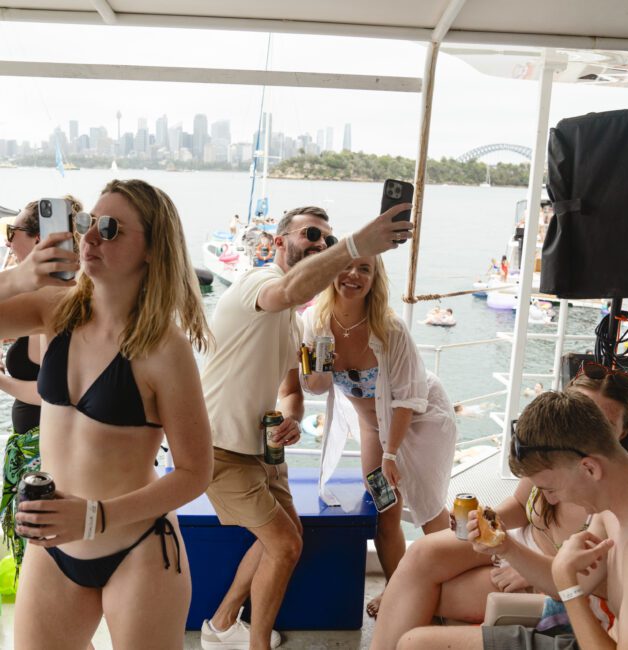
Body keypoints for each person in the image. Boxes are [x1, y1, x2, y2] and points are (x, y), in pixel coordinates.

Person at [0, 179, 213, 649]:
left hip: (136, 547)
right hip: (54, 546)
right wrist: (20, 277)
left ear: (154, 250)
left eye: (111, 228)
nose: (90, 237)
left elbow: (197, 472)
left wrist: (96, 517)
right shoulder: (56, 311)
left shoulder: (164, 349)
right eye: (86, 223)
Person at [200, 202, 413, 649]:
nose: (319, 244)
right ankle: (254, 644)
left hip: (262, 449)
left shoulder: (296, 325)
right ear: (279, 242)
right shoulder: (259, 283)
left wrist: (293, 419)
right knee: (285, 545)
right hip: (221, 447)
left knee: (288, 536)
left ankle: (221, 624)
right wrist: (359, 244)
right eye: (310, 236)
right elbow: (292, 290)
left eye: (326, 240)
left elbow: (293, 390)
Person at [371, 365, 628, 649]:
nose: (551, 499)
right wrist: (501, 542)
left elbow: (584, 586)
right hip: (546, 571)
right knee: (422, 561)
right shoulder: (601, 500)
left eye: (551, 489)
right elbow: (588, 579)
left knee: (420, 618)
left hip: (565, 603)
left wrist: (566, 586)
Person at [301, 254, 456, 618]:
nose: (353, 275)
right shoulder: (313, 321)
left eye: (365, 269)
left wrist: (391, 454)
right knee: (385, 504)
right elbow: (316, 388)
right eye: (346, 266)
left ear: (374, 279)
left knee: (429, 504)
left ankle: (444, 588)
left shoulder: (390, 328)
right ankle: (397, 589)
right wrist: (320, 362)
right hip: (374, 426)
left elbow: (407, 398)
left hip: (420, 418)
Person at [1, 196, 82, 571]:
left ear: (38, 241)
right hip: (40, 447)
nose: (6, 241)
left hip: (42, 452)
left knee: (40, 559)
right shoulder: (43, 295)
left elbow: (48, 392)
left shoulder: (52, 300)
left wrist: (1, 380)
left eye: (11, 232)